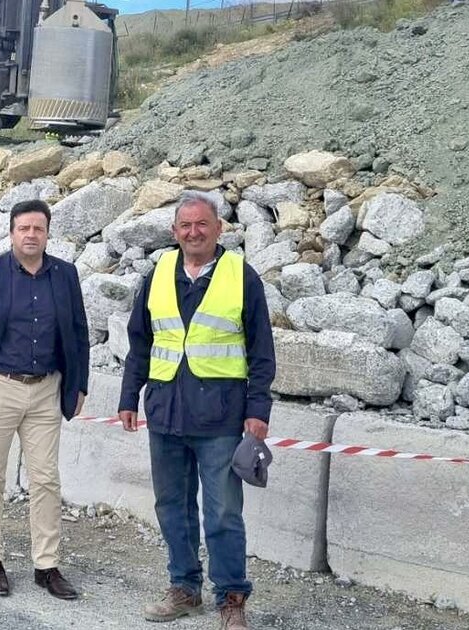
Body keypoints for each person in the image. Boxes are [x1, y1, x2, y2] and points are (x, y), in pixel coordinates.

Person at [117, 191, 276, 630]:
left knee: (223, 512)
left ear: (218, 228)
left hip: (220, 417)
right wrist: (129, 396)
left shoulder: (240, 276)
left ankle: (231, 598)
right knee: (172, 507)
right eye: (185, 225)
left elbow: (262, 351)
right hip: (165, 413)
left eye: (202, 224)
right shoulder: (158, 273)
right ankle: (185, 588)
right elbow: (141, 342)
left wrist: (258, 409)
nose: (193, 232)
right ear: (174, 231)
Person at [0, 199, 90, 600]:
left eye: (38, 229)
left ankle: (47, 566)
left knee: (45, 479)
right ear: (11, 232)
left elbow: (78, 332)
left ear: (48, 234)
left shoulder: (65, 274)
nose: (31, 235)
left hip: (47, 389)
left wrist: (78, 385)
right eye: (24, 228)